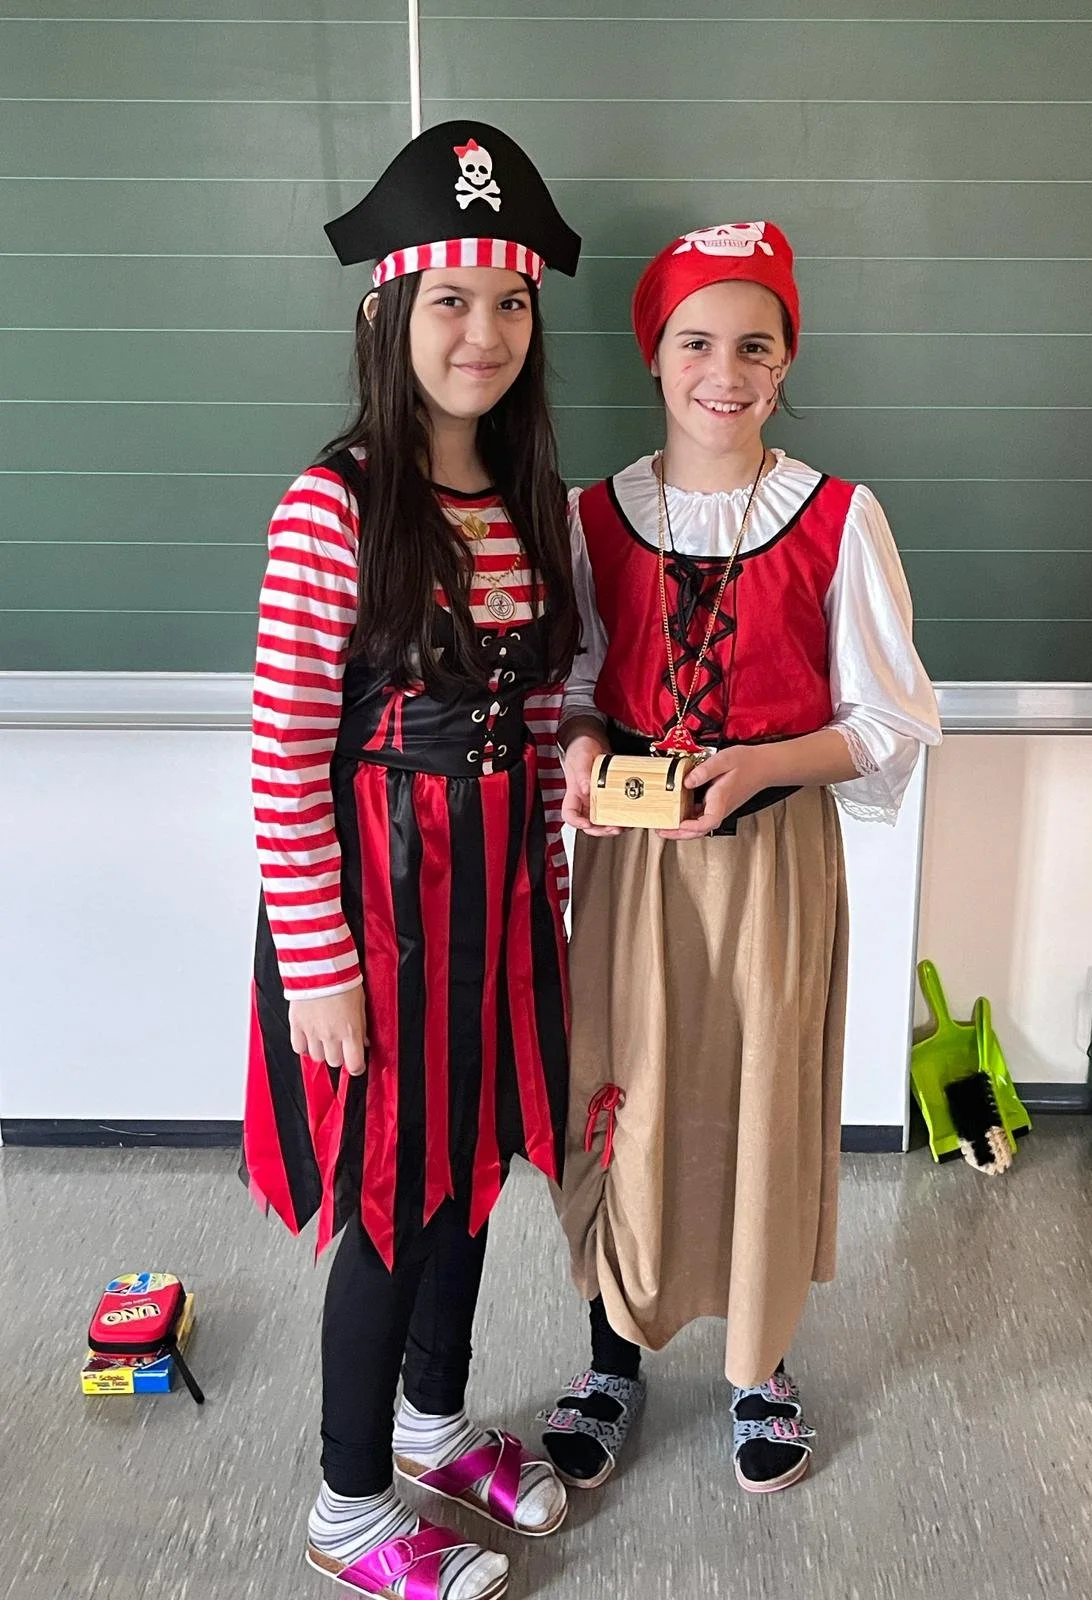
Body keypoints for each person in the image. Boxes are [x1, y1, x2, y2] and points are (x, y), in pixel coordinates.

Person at [542, 220, 942, 1496]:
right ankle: (613, 1352)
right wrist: (586, 750)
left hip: (772, 862)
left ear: (786, 364)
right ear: (654, 354)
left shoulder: (837, 516)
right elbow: (578, 687)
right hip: (634, 867)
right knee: (625, 1086)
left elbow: (888, 719)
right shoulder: (593, 514)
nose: (725, 371)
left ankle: (760, 1365)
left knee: (762, 1093)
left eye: (755, 346)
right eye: (697, 341)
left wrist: (762, 764)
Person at [243, 122, 581, 1600]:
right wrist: (318, 969)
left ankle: (435, 1422)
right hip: (379, 917)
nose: (482, 333)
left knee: (474, 1169)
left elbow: (543, 722)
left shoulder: (532, 500)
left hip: (496, 914)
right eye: (451, 300)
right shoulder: (334, 507)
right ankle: (349, 1504)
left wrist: (550, 901)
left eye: (509, 302)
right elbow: (283, 756)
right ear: (390, 311)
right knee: (392, 1198)